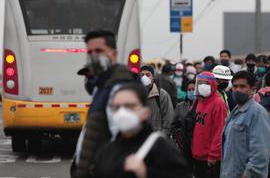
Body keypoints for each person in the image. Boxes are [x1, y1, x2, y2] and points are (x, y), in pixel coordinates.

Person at [72, 30, 138, 178]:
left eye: (99, 50)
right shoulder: (102, 86)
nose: (93, 56)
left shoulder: (120, 90)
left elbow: (126, 145)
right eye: (90, 51)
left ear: (114, 54)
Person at [93, 83, 193, 178]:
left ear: (145, 111)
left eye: (129, 106)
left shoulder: (162, 148)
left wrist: (147, 173)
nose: (122, 112)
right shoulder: (106, 152)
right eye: (117, 107)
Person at [221, 71, 270, 178]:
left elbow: (261, 153)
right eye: (235, 86)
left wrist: (249, 174)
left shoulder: (257, 113)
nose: (238, 90)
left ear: (252, 89)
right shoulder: (235, 111)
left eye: (242, 86)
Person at [192, 71, 228, 178]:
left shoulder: (218, 103)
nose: (202, 86)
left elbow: (219, 132)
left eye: (206, 83)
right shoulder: (199, 101)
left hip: (210, 158)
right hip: (197, 154)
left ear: (212, 85)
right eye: (200, 83)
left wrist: (213, 155)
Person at [139, 65, 174, 136]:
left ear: (153, 78)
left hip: (156, 139)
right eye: (142, 75)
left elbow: (169, 119)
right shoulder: (135, 95)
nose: (144, 77)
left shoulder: (162, 95)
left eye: (148, 75)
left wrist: (161, 138)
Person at [171, 80, 196, 163]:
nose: (191, 91)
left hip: (197, 143)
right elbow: (173, 125)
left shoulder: (201, 105)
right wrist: (177, 135)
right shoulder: (180, 106)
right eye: (189, 90)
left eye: (193, 89)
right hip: (183, 144)